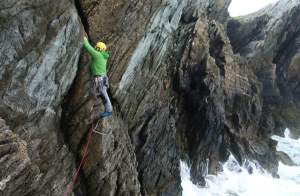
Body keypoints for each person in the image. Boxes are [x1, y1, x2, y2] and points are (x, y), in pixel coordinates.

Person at [83, 36, 113, 117]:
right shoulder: (102, 55)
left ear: (99, 48)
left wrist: (84, 40)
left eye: (96, 46)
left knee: (103, 93)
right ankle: (108, 109)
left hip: (100, 78)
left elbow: (89, 49)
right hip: (102, 78)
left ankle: (109, 110)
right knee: (102, 93)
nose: (94, 46)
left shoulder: (98, 55)